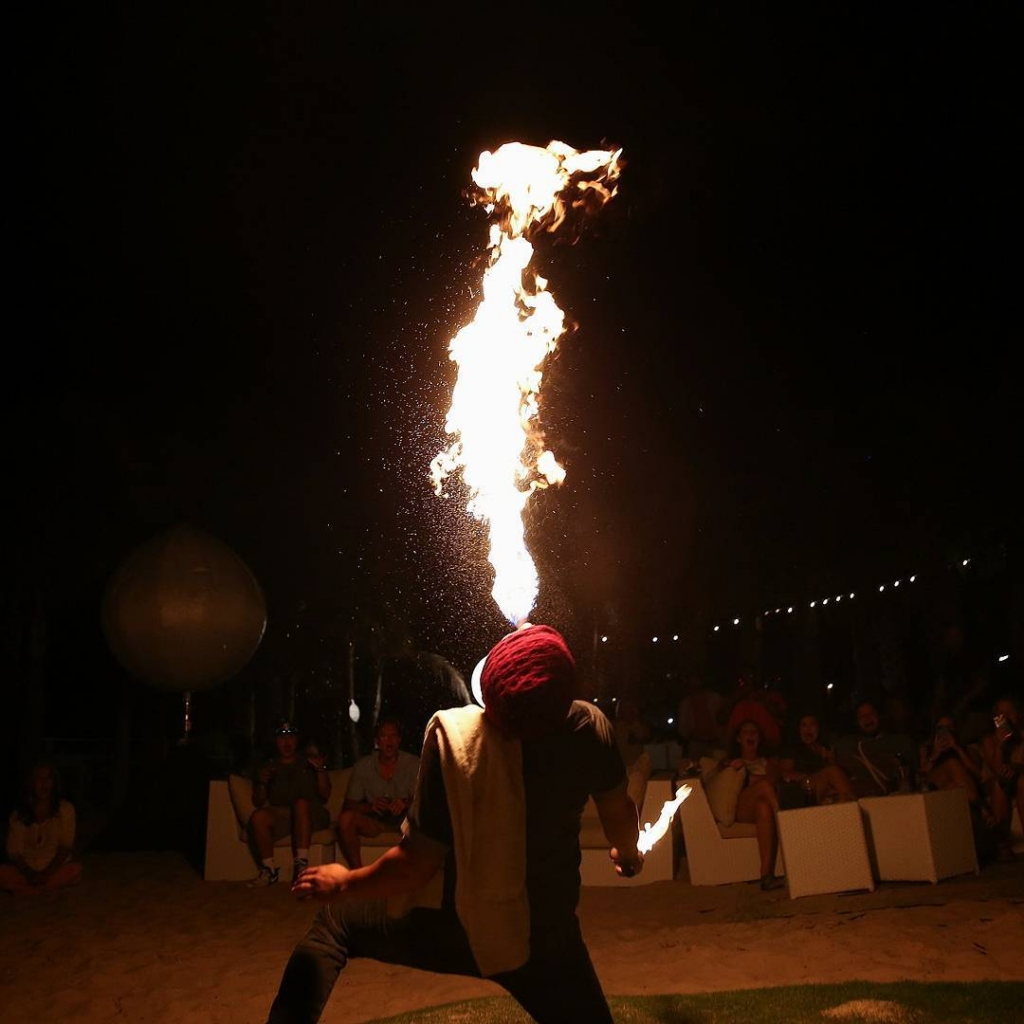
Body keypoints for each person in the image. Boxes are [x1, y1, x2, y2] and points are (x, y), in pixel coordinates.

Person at [264, 623, 643, 1024]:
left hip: (462, 925)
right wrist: (628, 853)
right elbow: (619, 815)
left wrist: (345, 881)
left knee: (334, 921)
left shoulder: (456, 742)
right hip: (546, 939)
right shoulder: (587, 728)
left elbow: (414, 866)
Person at [247, 721, 332, 887]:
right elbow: (258, 801)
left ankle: (301, 866)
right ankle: (269, 871)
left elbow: (325, 794)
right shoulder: (270, 766)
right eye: (282, 738)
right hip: (285, 816)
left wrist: (321, 769)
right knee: (259, 817)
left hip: (312, 814)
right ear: (276, 741)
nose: (287, 742)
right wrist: (262, 783)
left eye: (291, 737)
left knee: (300, 803)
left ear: (297, 740)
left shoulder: (308, 762)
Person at [336, 717, 420, 869]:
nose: (389, 741)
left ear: (399, 740)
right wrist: (371, 806)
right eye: (384, 736)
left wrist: (405, 803)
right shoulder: (363, 766)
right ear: (377, 741)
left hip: (407, 821)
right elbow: (348, 805)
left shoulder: (413, 764)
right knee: (345, 819)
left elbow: (426, 800)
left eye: (393, 736)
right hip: (376, 820)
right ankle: (358, 871)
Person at [0, 759, 82, 895]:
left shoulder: (65, 809)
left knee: (74, 869)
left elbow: (65, 847)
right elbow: (15, 853)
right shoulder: (19, 814)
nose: (44, 783)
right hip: (26, 870)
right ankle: (42, 889)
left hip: (54, 868)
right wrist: (30, 874)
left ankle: (31, 890)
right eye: (39, 779)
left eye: (48, 778)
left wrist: (46, 874)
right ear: (31, 782)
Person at [721, 718, 782, 890]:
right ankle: (785, 820)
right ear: (739, 739)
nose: (750, 735)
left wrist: (752, 778)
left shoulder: (767, 762)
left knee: (763, 805)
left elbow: (774, 780)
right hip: (742, 807)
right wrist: (739, 771)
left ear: (759, 738)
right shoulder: (731, 762)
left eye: (754, 732)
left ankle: (766, 875)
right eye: (746, 732)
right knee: (764, 786)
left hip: (762, 806)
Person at [833, 699, 919, 797]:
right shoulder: (848, 744)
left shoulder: (900, 742)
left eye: (871, 714)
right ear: (857, 722)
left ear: (879, 716)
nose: (867, 718)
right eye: (861, 716)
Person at [979, 695, 1024, 863]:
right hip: (995, 782)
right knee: (999, 783)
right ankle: (1002, 843)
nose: (1006, 717)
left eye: (1010, 712)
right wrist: (1000, 744)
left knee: (1022, 782)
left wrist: (1016, 768)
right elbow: (995, 769)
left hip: (1019, 780)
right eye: (1001, 714)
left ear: (1017, 714)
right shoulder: (989, 739)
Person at [779, 712, 856, 805]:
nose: (808, 729)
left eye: (812, 724)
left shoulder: (824, 748)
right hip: (803, 786)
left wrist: (830, 759)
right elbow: (786, 773)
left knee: (838, 779)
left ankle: (848, 805)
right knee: (832, 771)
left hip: (824, 786)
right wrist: (812, 777)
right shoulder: (791, 748)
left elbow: (840, 775)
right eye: (804, 725)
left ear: (818, 728)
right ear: (799, 729)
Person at [675, 671, 725, 760]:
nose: (694, 683)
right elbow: (682, 727)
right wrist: (689, 734)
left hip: (714, 742)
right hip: (696, 744)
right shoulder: (685, 704)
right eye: (692, 680)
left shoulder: (714, 698)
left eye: (696, 680)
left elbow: (723, 716)